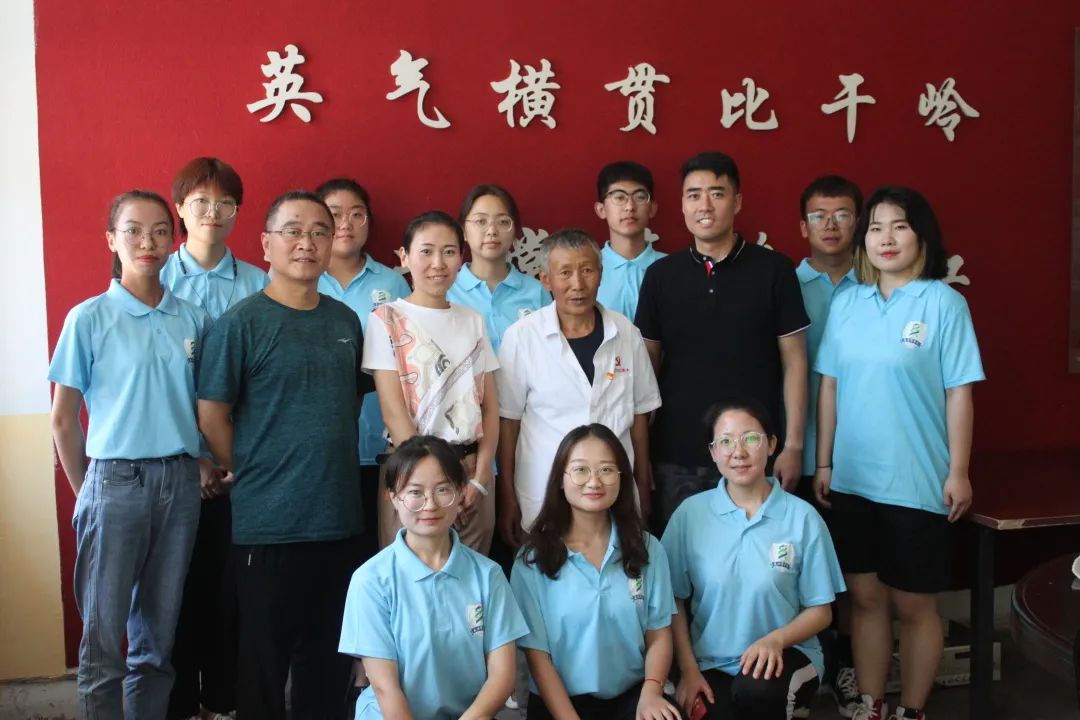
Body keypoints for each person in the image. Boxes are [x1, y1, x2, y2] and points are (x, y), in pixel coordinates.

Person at [197, 190, 371, 719]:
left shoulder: (345, 321)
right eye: (293, 231)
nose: (307, 243)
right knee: (263, 667)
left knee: (328, 662)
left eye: (319, 231)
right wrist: (253, 469)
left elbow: (346, 406)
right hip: (268, 526)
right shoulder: (241, 323)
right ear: (266, 243)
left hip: (338, 520)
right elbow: (212, 414)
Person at [814, 187, 984, 720]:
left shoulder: (943, 303)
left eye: (899, 226)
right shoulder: (848, 303)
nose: (885, 238)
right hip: (852, 480)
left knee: (914, 604)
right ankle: (871, 703)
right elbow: (829, 386)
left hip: (917, 479)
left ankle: (912, 708)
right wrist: (824, 463)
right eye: (875, 228)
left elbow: (959, 392)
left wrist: (959, 470)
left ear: (922, 236)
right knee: (864, 600)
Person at [49, 190, 209, 718]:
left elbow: (202, 406)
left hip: (180, 486)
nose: (148, 241)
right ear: (111, 240)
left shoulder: (192, 318)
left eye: (160, 231)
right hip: (114, 483)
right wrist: (88, 495)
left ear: (173, 240)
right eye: (134, 230)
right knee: (103, 643)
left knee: (157, 642)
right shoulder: (89, 318)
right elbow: (63, 419)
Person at [636, 151, 809, 535]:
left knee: (759, 557)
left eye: (717, 193)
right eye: (694, 195)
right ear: (682, 205)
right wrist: (642, 456)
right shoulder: (661, 276)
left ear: (737, 201)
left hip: (755, 451)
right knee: (682, 560)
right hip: (677, 455)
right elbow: (645, 374)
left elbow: (795, 361)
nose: (705, 205)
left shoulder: (775, 270)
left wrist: (794, 445)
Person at [161, 156, 267, 720]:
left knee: (231, 594)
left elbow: (263, 381)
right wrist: (196, 456)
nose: (213, 212)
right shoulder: (155, 279)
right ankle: (179, 705)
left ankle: (224, 701)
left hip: (242, 466)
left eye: (225, 202)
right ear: (180, 208)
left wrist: (231, 460)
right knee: (174, 594)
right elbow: (154, 383)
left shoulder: (257, 283)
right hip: (174, 463)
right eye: (200, 201)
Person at [663, 400, 845, 720]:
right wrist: (688, 671)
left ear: (771, 445)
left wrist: (775, 640)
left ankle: (791, 702)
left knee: (757, 692)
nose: (738, 452)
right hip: (712, 663)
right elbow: (671, 601)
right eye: (725, 441)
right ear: (713, 452)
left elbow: (821, 611)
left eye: (750, 438)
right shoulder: (690, 515)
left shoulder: (802, 518)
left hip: (788, 653)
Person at [339, 435, 528, 720]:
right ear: (393, 497)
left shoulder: (488, 575)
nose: (430, 505)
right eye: (415, 492)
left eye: (443, 490)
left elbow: (502, 677)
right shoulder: (371, 580)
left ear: (461, 492)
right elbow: (385, 688)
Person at [498, 229, 661, 544]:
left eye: (587, 270)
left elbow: (640, 417)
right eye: (565, 273)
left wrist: (642, 485)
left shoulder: (625, 333)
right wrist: (507, 497)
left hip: (613, 491)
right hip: (544, 489)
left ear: (601, 274)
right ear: (546, 280)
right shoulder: (522, 337)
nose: (578, 284)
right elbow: (509, 423)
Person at [511, 424, 679, 720]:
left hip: (633, 695)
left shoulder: (647, 548)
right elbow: (538, 657)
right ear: (560, 479)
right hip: (559, 704)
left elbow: (659, 633)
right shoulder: (532, 559)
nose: (594, 481)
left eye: (606, 470)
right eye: (580, 470)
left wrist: (652, 692)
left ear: (621, 478)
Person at [364, 211, 500, 554]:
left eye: (449, 252)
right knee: (410, 575)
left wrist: (481, 476)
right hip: (411, 474)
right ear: (404, 257)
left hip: (472, 475)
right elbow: (394, 412)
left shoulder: (473, 320)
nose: (438, 263)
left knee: (471, 577)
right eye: (426, 251)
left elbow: (490, 407)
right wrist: (439, 487)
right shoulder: (386, 320)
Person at [795, 174, 862, 717]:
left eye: (842, 214)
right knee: (801, 571)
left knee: (858, 575)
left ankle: (849, 668)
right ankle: (806, 668)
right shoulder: (785, 285)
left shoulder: (880, 286)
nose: (831, 224)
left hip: (863, 456)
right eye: (819, 215)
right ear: (803, 226)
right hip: (800, 453)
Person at [315, 178, 411, 558]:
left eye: (357, 214)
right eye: (335, 214)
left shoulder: (392, 283)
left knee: (382, 550)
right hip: (321, 451)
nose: (346, 223)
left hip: (383, 445)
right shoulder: (299, 278)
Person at [448, 183, 550, 352]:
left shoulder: (536, 291)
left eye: (503, 222)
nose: (492, 231)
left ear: (515, 231)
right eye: (481, 221)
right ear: (463, 231)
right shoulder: (447, 292)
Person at [594, 161, 665, 320]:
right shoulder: (587, 270)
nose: (630, 207)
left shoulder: (673, 268)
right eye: (619, 197)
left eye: (640, 197)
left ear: (652, 208)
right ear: (601, 209)